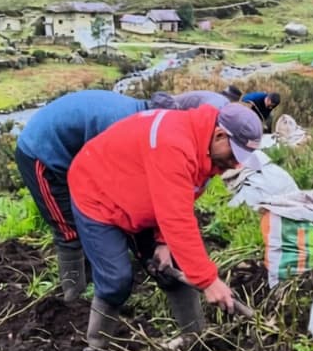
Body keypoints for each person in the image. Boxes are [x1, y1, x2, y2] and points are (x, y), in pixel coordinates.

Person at [67, 103, 263, 351]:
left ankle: (194, 341)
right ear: (219, 135)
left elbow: (180, 197)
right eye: (234, 154)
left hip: (141, 194)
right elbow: (177, 217)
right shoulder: (174, 144)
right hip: (98, 195)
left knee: (174, 268)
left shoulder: (205, 148)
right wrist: (208, 281)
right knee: (115, 280)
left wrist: (163, 240)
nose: (236, 163)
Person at [14, 89, 223, 304]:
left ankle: (98, 278)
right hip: (44, 153)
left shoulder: (154, 125)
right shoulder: (129, 129)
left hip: (80, 157)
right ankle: (74, 299)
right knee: (69, 231)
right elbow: (112, 192)